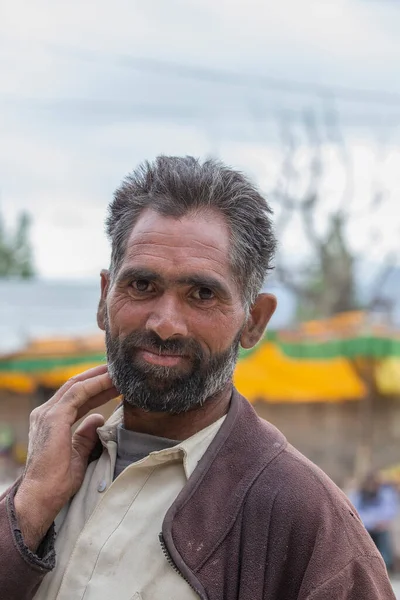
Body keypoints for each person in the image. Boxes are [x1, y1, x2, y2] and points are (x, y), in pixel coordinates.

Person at [0, 156, 394, 599]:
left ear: (254, 322)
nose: (165, 323)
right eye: (142, 286)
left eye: (202, 294)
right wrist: (28, 508)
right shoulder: (48, 483)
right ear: (104, 298)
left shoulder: (307, 521)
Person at [349, 471, 399, 572]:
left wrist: (379, 521)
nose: (371, 487)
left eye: (373, 484)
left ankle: (385, 566)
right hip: (365, 528)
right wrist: (369, 523)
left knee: (385, 535)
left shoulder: (385, 494)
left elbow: (389, 511)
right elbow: (353, 511)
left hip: (381, 527)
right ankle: (364, 566)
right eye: (369, 484)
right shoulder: (358, 495)